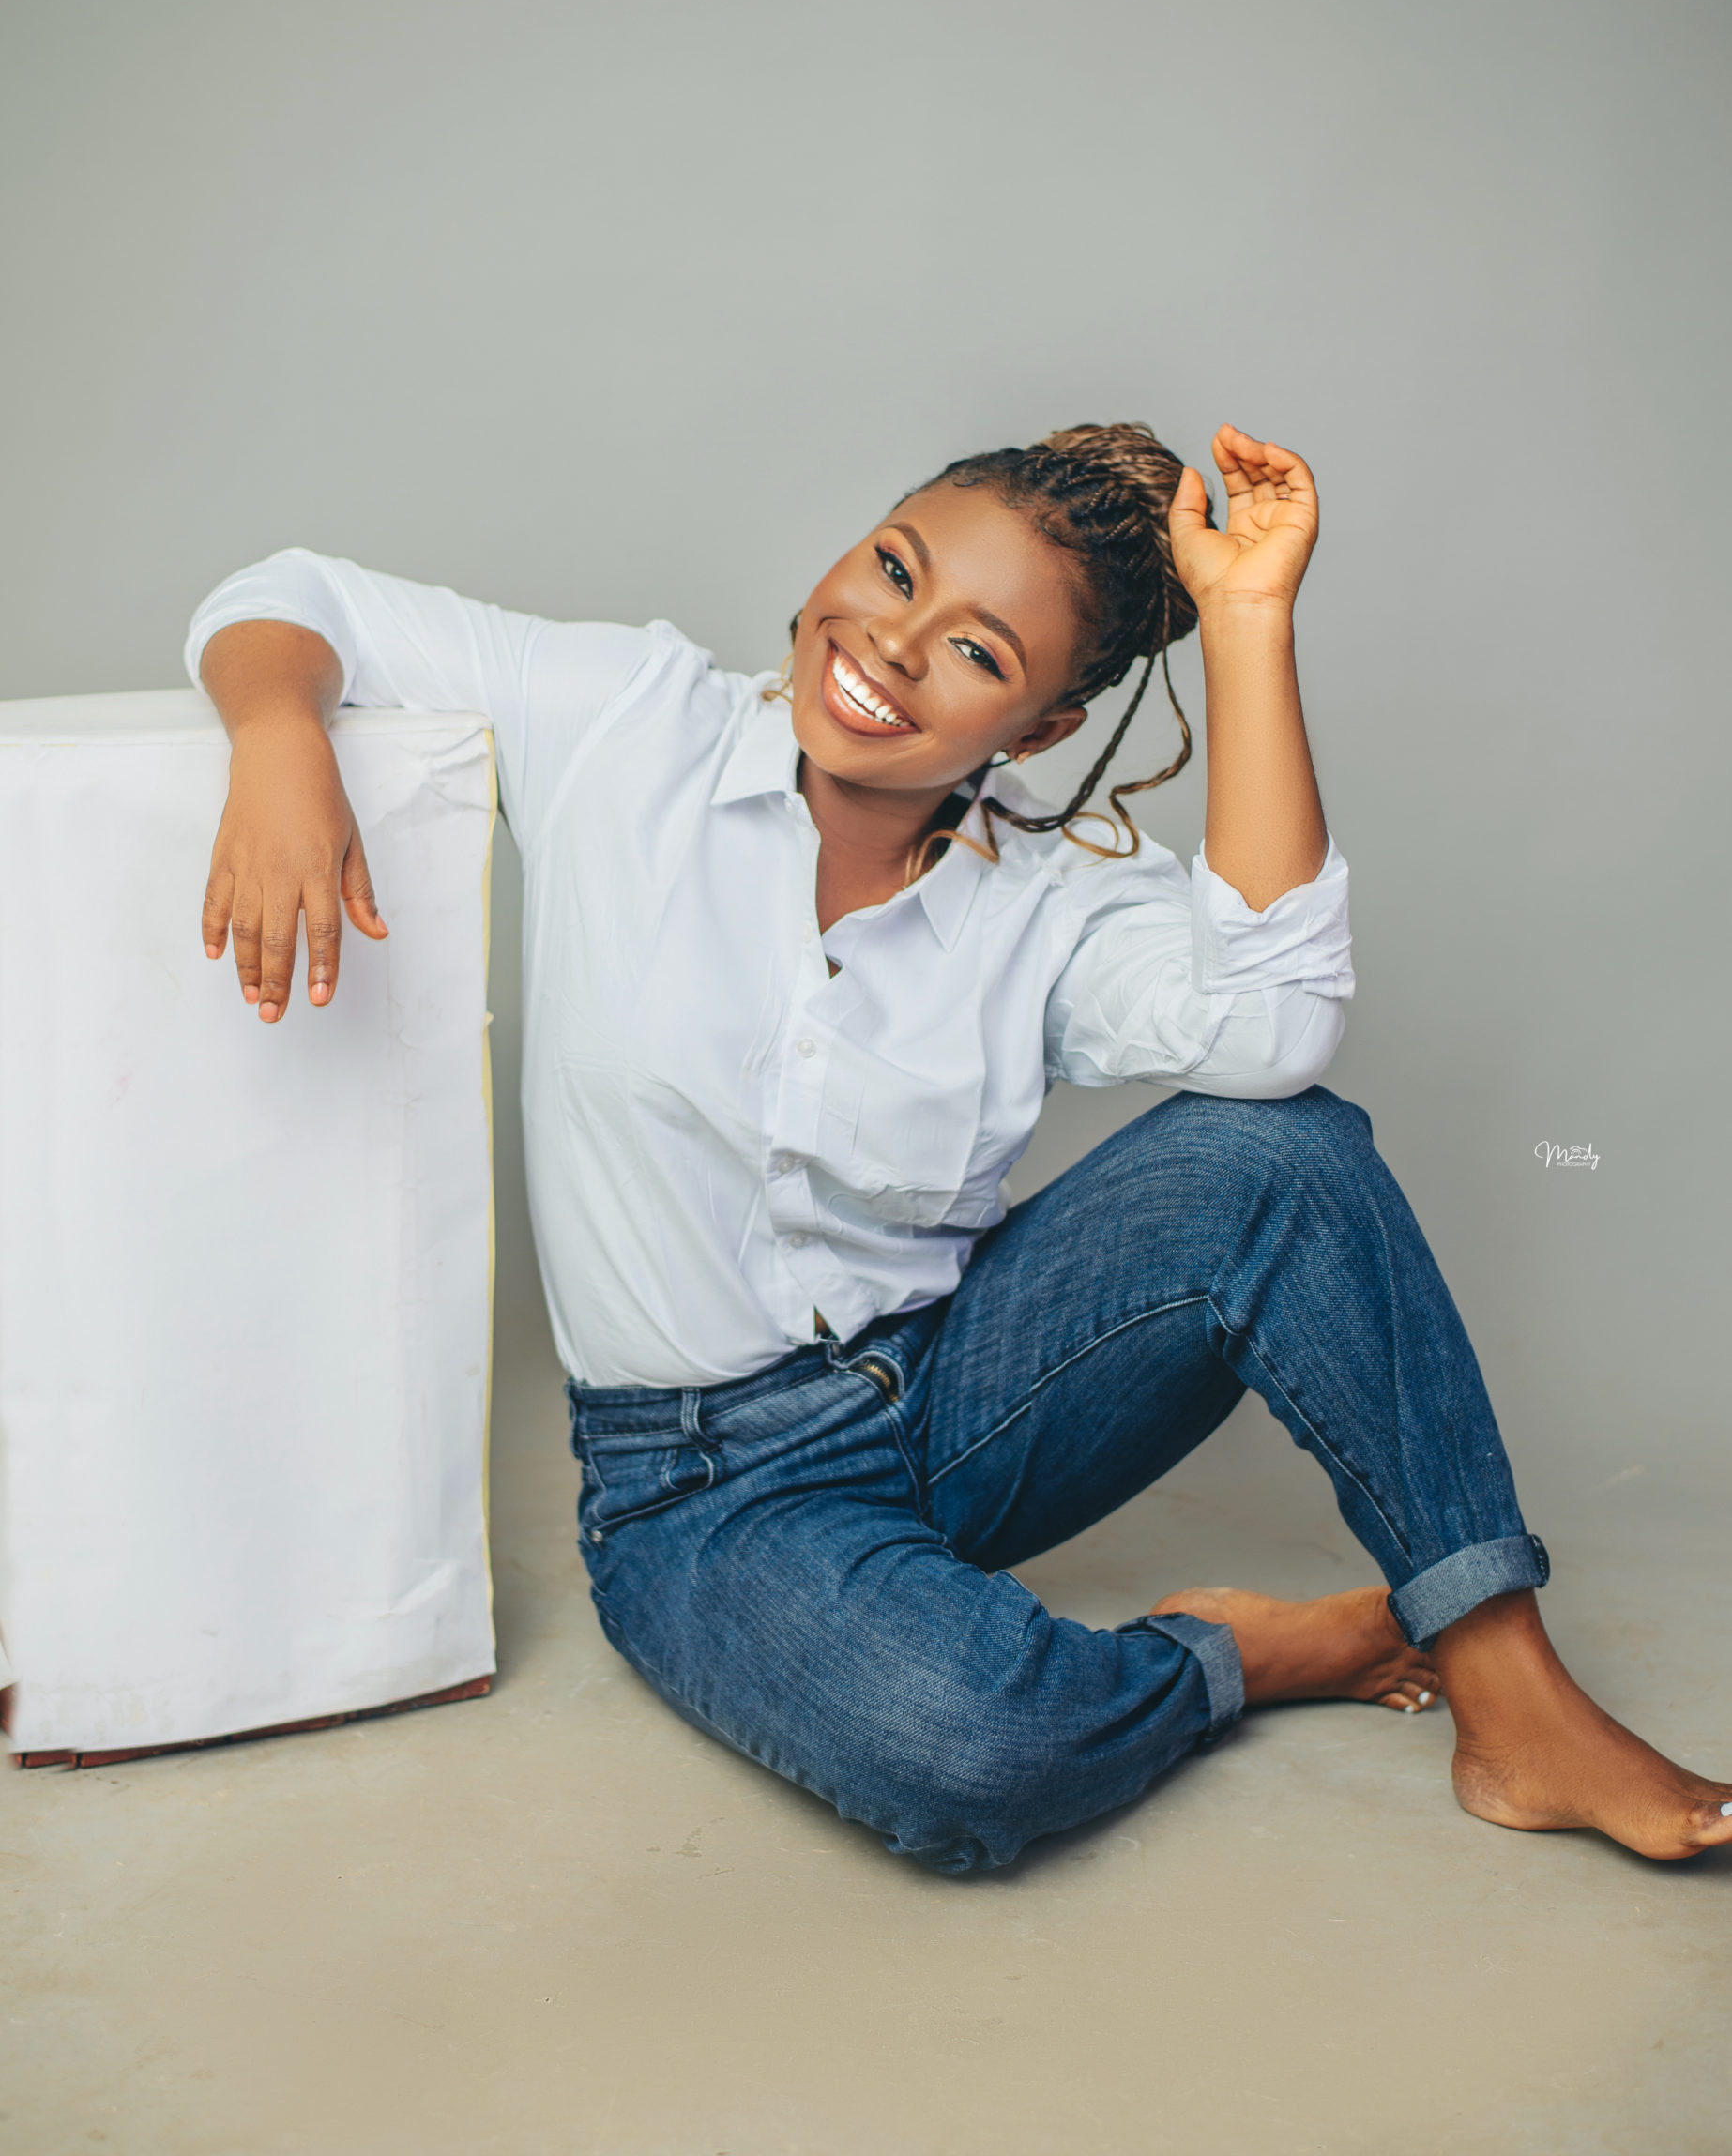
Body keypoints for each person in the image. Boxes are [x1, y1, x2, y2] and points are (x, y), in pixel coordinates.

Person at [186, 421, 1730, 1875]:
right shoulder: (627, 724)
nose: (889, 647)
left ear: (1044, 723)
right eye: (894, 569)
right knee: (972, 1753)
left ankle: (1509, 1695)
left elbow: (1269, 1038)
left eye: (977, 653)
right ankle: (1246, 1652)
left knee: (1289, 1155)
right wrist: (277, 742)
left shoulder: (1055, 896)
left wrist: (1248, 621)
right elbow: (287, 597)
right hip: (703, 1492)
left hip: (962, 1397)